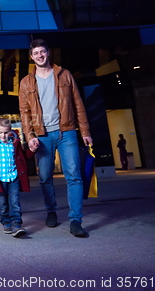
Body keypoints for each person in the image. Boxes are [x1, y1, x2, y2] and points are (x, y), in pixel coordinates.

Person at [19, 39, 93, 238]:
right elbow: (24, 113)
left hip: (66, 132)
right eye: (36, 53)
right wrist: (30, 135)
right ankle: (51, 210)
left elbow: (78, 104)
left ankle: (75, 220)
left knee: (74, 175)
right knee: (44, 178)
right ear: (31, 56)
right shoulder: (26, 82)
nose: (40, 56)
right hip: (42, 136)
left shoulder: (64, 75)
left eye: (42, 51)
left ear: (48, 53)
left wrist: (85, 132)